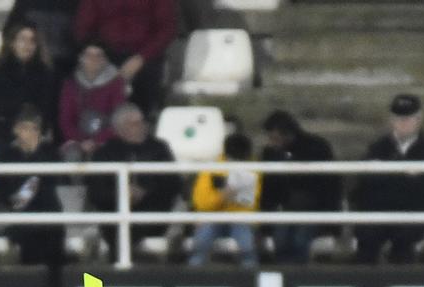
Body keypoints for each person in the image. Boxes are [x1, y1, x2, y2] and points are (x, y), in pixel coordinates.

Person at [353, 93, 424, 264]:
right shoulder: (378, 148)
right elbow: (365, 182)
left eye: (409, 118)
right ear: (392, 120)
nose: (404, 123)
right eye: (399, 118)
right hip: (379, 212)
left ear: (419, 119)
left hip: (413, 213)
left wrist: (388, 173)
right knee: (367, 238)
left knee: (405, 242)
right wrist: (405, 174)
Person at [88, 102, 179, 259]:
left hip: (152, 214)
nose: (142, 127)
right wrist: (122, 195)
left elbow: (173, 184)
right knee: (118, 231)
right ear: (120, 128)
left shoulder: (159, 149)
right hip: (114, 215)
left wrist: (145, 192)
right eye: (134, 124)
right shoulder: (104, 154)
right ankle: (115, 279)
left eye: (142, 122)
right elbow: (96, 192)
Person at [260, 109, 339, 262]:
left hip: (313, 209)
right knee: (281, 240)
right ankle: (284, 275)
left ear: (287, 134)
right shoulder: (270, 154)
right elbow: (267, 188)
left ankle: (296, 278)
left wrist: (333, 224)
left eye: (274, 138)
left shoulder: (317, 147)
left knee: (299, 240)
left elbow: (330, 186)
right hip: (283, 209)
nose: (271, 142)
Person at [0, 106, 64, 269]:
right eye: (25, 128)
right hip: (18, 216)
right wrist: (18, 199)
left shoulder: (49, 152)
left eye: (35, 129)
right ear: (15, 129)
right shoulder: (5, 155)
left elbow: (51, 179)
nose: (30, 133)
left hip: (48, 214)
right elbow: (1, 188)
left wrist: (34, 153)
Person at [72, 0, 174, 117]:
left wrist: (141, 58)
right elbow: (82, 28)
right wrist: (99, 56)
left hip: (145, 57)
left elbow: (167, 28)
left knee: (140, 110)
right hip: (106, 55)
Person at [0, 21, 55, 151]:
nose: (28, 45)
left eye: (32, 40)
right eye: (23, 39)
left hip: (35, 132)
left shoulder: (45, 72)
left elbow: (48, 106)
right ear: (12, 43)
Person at [187, 130, 259, 265]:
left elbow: (252, 201)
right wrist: (222, 196)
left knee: (246, 245)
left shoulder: (254, 168)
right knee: (201, 241)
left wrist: (232, 195)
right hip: (213, 217)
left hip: (241, 218)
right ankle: (193, 279)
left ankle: (252, 279)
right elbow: (201, 202)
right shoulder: (212, 168)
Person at [57, 40, 125, 159]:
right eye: (89, 55)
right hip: (77, 141)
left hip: (108, 140)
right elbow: (65, 119)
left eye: (98, 55)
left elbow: (118, 119)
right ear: (80, 58)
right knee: (72, 156)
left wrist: (97, 141)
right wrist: (81, 141)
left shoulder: (116, 84)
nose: (93, 59)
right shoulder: (70, 84)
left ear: (105, 60)